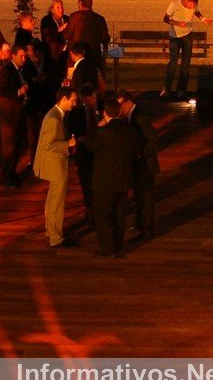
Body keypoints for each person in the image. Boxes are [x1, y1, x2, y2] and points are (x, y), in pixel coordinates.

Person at [85, 97, 142, 258]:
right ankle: (118, 245)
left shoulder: (102, 132)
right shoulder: (129, 129)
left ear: (105, 113)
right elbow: (136, 146)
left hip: (104, 181)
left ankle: (107, 248)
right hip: (123, 179)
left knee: (102, 215)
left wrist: (97, 128)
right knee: (119, 214)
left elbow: (90, 146)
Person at [34, 85, 77, 249]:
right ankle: (56, 237)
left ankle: (51, 231)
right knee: (56, 203)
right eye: (73, 100)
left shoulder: (55, 115)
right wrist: (69, 144)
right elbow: (47, 145)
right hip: (55, 165)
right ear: (64, 99)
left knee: (53, 201)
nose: (74, 104)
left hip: (54, 164)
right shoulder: (54, 118)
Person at [118, 91, 161, 240]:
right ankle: (140, 225)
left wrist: (142, 154)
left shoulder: (139, 116)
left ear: (129, 102)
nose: (119, 107)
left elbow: (152, 138)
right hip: (139, 165)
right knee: (139, 197)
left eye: (121, 104)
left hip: (145, 165)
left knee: (145, 199)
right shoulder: (131, 116)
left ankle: (146, 230)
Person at [161, 0, 213, 99]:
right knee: (173, 63)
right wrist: (177, 23)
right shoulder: (174, 5)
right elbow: (165, 18)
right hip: (175, 38)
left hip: (187, 36)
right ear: (186, 0)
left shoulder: (194, 5)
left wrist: (203, 19)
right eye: (191, 4)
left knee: (186, 65)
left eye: (194, 5)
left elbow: (196, 12)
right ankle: (166, 89)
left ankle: (181, 90)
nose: (192, 7)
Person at [0, 46, 27, 187]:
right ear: (13, 56)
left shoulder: (17, 70)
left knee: (16, 145)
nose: (24, 59)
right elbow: (0, 90)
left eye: (25, 56)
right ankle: (5, 177)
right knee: (9, 148)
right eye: (21, 56)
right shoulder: (7, 71)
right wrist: (19, 92)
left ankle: (11, 173)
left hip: (15, 114)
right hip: (9, 115)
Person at [67, 83, 99, 230]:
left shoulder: (104, 109)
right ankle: (90, 212)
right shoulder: (76, 114)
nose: (90, 102)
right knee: (87, 186)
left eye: (92, 98)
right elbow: (70, 132)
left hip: (101, 154)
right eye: (87, 100)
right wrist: (79, 139)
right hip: (85, 154)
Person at [63, 0, 111, 69]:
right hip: (94, 56)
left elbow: (67, 35)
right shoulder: (100, 19)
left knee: (74, 78)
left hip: (76, 56)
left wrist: (63, 29)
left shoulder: (74, 17)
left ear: (80, 3)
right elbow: (105, 38)